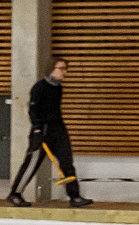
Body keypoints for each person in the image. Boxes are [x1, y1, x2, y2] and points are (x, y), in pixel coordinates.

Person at [7, 57, 90, 208]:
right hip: (42, 130)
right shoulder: (40, 87)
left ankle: (75, 196)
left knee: (67, 162)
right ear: (51, 69)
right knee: (31, 164)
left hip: (58, 128)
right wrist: (37, 129)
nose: (64, 72)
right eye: (61, 69)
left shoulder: (58, 88)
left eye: (65, 69)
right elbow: (33, 110)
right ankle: (15, 194)